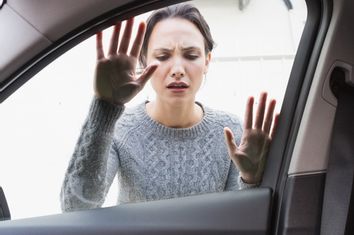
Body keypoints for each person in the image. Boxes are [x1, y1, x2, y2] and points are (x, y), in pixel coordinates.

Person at [60, 3, 278, 212]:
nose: (177, 69)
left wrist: (251, 180)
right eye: (163, 56)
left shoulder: (231, 131)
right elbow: (76, 207)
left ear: (207, 61)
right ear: (143, 62)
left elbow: (240, 219)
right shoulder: (121, 129)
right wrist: (104, 107)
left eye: (191, 55)